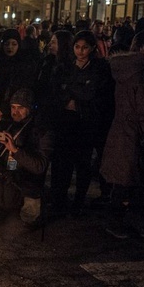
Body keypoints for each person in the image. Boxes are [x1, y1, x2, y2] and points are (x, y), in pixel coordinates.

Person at [0, 89, 53, 232]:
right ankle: (0, 210)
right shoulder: (5, 124)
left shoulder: (43, 132)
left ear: (30, 108)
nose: (15, 112)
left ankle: (24, 211)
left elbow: (40, 166)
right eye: (13, 107)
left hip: (25, 184)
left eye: (21, 108)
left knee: (24, 226)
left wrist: (16, 151)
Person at [101, 31, 144, 239]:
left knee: (124, 180)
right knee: (135, 180)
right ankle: (124, 220)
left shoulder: (123, 69)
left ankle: (125, 220)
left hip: (121, 130)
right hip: (136, 134)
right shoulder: (142, 73)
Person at [49, 31, 113, 217]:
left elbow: (91, 93)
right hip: (66, 120)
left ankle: (78, 201)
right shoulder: (66, 66)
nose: (80, 51)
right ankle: (60, 200)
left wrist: (70, 89)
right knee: (64, 163)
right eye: (77, 47)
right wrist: (78, 89)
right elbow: (57, 91)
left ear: (92, 48)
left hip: (86, 121)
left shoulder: (99, 67)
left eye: (85, 47)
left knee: (82, 162)